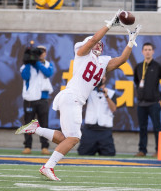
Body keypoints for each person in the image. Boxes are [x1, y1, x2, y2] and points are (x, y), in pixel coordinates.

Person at [15, 9, 142, 181]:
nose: (98, 45)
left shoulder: (102, 61)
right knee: (74, 138)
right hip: (71, 96)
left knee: (66, 138)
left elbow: (121, 61)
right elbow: (95, 39)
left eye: (99, 44)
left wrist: (130, 42)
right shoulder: (82, 53)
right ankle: (48, 166)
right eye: (94, 43)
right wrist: (109, 25)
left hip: (73, 99)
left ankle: (36, 128)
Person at [133, 42, 161, 157]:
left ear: (153, 51)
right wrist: (140, 93)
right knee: (142, 127)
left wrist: (160, 97)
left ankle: (159, 151)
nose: (147, 51)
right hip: (141, 103)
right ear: (142, 52)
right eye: (145, 49)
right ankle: (142, 150)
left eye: (149, 49)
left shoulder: (157, 66)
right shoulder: (138, 67)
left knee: (157, 127)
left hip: (153, 103)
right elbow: (137, 82)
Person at [20, 45, 54, 155]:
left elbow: (48, 73)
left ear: (45, 53)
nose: (41, 54)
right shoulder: (25, 65)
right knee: (29, 123)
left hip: (43, 98)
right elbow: (25, 76)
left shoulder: (48, 64)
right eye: (38, 52)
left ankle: (44, 146)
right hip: (30, 98)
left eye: (42, 51)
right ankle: (27, 146)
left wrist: (38, 62)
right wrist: (29, 62)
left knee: (44, 124)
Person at [78, 75, 117, 156]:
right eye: (99, 77)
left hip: (105, 131)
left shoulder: (111, 93)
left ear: (105, 78)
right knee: (83, 153)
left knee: (109, 154)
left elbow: (113, 109)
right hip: (89, 130)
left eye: (103, 77)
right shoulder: (88, 92)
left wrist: (106, 95)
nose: (101, 79)